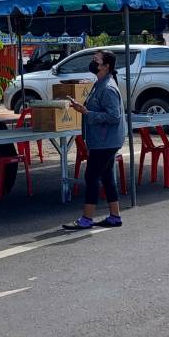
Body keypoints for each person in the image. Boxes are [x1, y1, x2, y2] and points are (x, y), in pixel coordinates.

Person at [63, 49, 125, 231]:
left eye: (96, 60)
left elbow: (114, 116)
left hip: (105, 141)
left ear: (106, 66)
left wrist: (87, 113)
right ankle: (115, 216)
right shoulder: (100, 84)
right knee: (106, 177)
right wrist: (83, 109)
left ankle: (87, 218)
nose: (92, 63)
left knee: (91, 176)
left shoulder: (108, 88)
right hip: (103, 140)